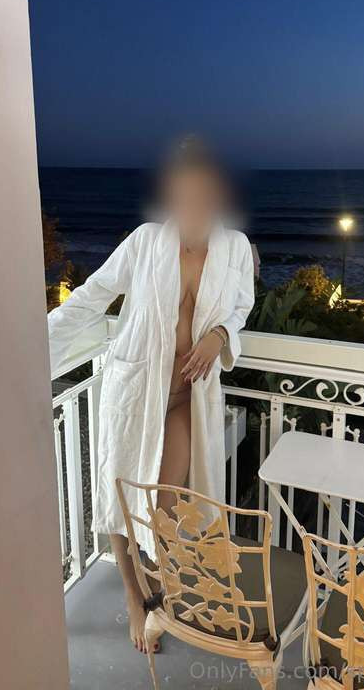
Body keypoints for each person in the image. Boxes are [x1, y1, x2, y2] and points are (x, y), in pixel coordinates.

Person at [47, 135, 254, 653]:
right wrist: (35, 344)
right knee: (122, 494)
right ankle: (135, 595)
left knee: (164, 505)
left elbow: (241, 307)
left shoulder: (234, 248)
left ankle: (158, 585)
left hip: (186, 397)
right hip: (135, 392)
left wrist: (220, 334)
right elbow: (92, 297)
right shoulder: (144, 242)